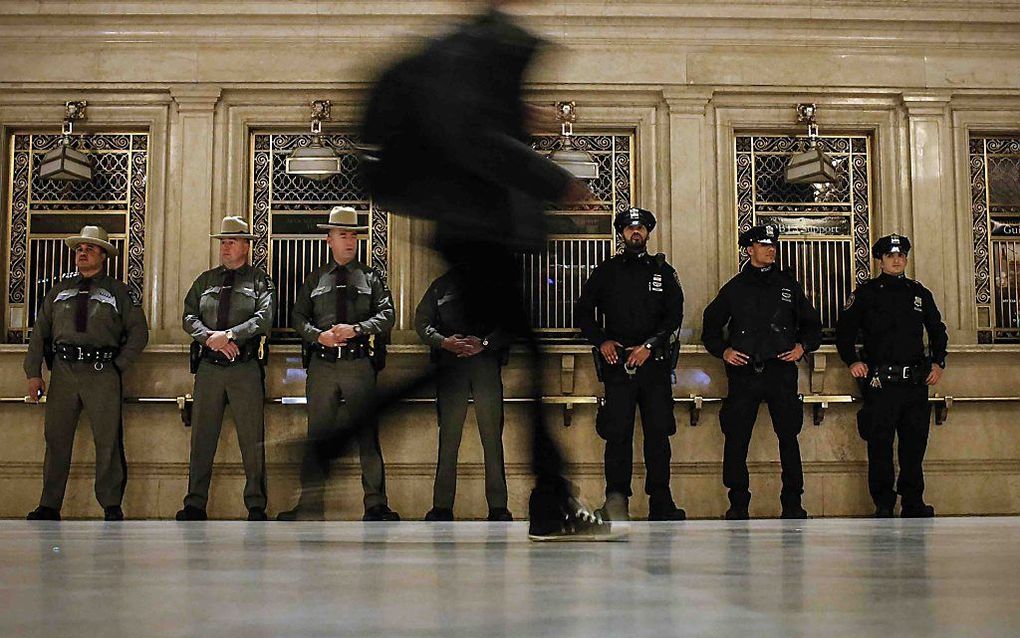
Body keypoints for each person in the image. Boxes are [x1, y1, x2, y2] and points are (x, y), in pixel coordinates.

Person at [356, 0, 617, 540]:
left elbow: (469, 127)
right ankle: (551, 504)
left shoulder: (461, 50)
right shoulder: (483, 45)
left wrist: (519, 123)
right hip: (479, 232)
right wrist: (553, 181)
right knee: (525, 360)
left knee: (514, 359)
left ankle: (551, 501)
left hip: (474, 229)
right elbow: (471, 138)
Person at [277, 207, 400, 522]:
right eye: (342, 235)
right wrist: (318, 336)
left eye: (354, 235)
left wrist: (357, 328)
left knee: (367, 435)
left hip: (359, 364)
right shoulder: (317, 278)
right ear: (329, 239)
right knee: (317, 435)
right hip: (323, 365)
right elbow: (298, 317)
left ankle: (375, 504)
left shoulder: (371, 278)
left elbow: (388, 316)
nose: (349, 241)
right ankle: (310, 507)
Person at [24, 225, 149, 521]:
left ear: (103, 255)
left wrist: (117, 365)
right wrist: (33, 372)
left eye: (90, 248)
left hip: (101, 372)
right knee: (56, 439)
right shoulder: (58, 291)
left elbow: (139, 333)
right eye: (80, 248)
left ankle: (110, 504)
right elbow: (39, 334)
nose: (83, 252)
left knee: (107, 440)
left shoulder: (118, 292)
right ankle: (50, 504)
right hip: (64, 372)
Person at [701, 224, 822, 520]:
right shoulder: (735, 288)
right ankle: (738, 503)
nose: (771, 250)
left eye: (773, 245)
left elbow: (812, 324)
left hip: (780, 371)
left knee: (789, 438)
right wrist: (725, 352)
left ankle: (792, 502)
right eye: (764, 245)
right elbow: (710, 327)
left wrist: (802, 347)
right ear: (749, 249)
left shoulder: (788, 286)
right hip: (745, 374)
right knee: (737, 438)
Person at [575, 207, 686, 522]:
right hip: (619, 365)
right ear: (621, 233)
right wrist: (602, 341)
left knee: (658, 436)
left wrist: (650, 346)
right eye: (629, 228)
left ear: (648, 233)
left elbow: (674, 316)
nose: (635, 233)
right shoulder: (607, 271)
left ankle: (661, 502)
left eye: (640, 228)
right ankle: (616, 501)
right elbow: (583, 312)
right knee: (617, 435)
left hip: (654, 365)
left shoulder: (663, 271)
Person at [835, 234, 947, 518]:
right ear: (880, 260)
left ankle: (913, 501)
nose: (897, 260)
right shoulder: (866, 294)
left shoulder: (919, 294)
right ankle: (883, 503)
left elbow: (937, 331)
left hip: (914, 382)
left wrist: (938, 363)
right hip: (880, 382)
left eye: (901, 256)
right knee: (880, 445)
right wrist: (852, 361)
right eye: (890, 256)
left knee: (914, 445)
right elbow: (845, 332)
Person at [177, 216, 275, 522]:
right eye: (222, 242)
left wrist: (230, 336)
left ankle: (256, 505)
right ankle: (195, 503)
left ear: (246, 245)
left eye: (231, 241)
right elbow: (189, 315)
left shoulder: (260, 281)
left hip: (244, 367)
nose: (225, 247)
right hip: (210, 368)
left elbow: (265, 317)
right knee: (202, 438)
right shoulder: (206, 281)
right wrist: (210, 339)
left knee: (252, 438)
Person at [416, 267, 512, 522]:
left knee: (492, 437)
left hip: (486, 364)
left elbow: (510, 324)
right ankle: (442, 506)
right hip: (451, 366)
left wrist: (485, 344)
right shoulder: (441, 286)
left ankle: (498, 507)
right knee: (448, 436)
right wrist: (443, 342)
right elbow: (421, 322)